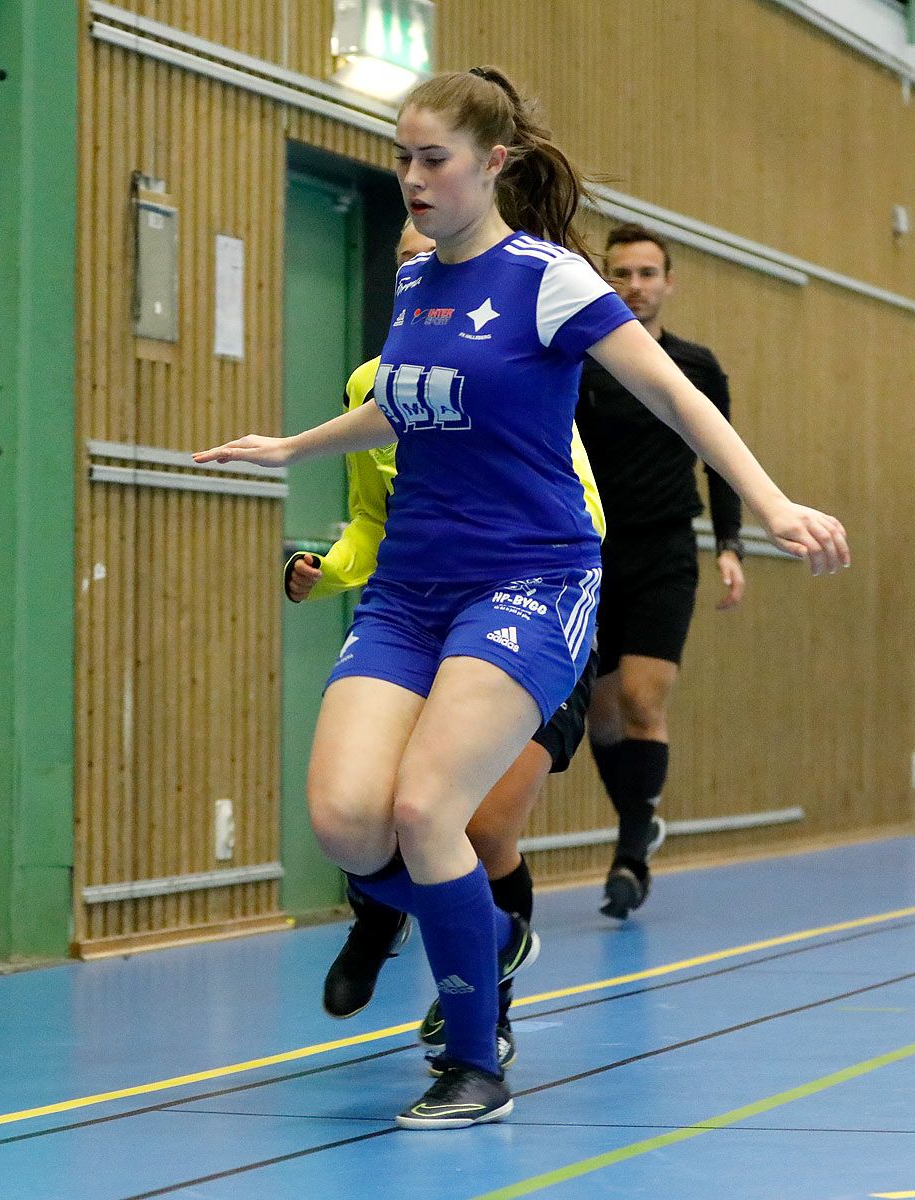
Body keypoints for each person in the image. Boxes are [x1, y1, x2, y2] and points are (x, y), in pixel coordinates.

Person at [196, 66, 848, 1130]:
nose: (411, 178)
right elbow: (406, 407)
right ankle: (487, 931)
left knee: (426, 809)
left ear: (492, 165)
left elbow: (674, 394)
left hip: (532, 579)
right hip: (411, 587)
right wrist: (294, 444)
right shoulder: (414, 283)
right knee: (352, 827)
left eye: (432, 159)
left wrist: (766, 504)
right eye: (402, 157)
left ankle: (471, 1062)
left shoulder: (548, 281)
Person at [289, 219, 604, 1074]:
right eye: (407, 254)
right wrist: (328, 569)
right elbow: (368, 524)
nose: (424, 265)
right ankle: (457, 932)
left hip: (528, 609)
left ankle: (481, 1024)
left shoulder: (515, 372)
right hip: (418, 611)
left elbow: (578, 514)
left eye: (440, 250)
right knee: (366, 816)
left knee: (474, 822)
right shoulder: (374, 386)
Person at [576, 223, 744, 920]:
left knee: (644, 700)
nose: (635, 286)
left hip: (664, 552)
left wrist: (730, 543)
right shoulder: (580, 363)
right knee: (602, 714)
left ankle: (629, 854)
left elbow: (722, 457)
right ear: (605, 282)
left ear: (667, 284)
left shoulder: (696, 367)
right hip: (588, 553)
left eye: (648, 273)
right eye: (621, 273)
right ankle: (639, 819)